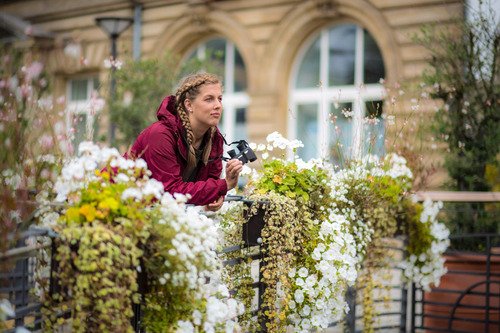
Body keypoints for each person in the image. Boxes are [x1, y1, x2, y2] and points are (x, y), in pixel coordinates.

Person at [128, 72, 243, 211]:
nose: (218, 105)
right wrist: (223, 186)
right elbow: (171, 192)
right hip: (114, 203)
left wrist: (215, 197)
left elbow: (209, 183)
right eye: (209, 99)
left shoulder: (214, 137)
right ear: (189, 105)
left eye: (220, 99)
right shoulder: (160, 135)